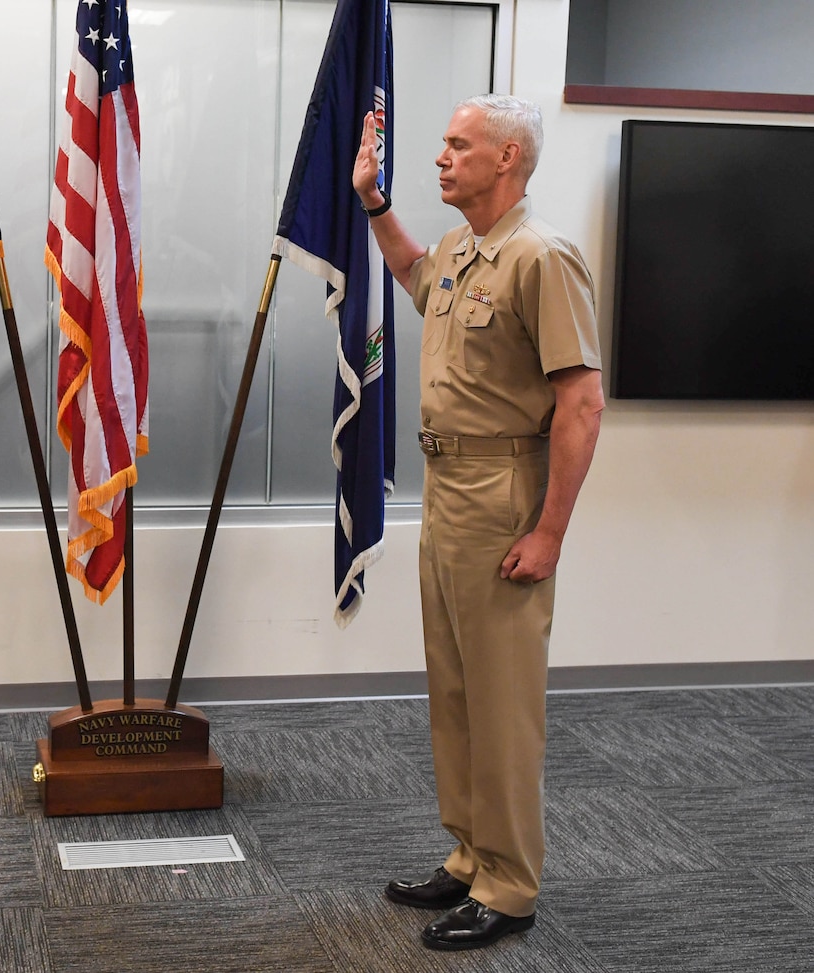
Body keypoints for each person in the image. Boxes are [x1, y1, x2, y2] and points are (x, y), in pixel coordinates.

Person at [352, 94, 604, 950]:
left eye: (459, 146)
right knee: (455, 691)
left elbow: (580, 403)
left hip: (503, 491)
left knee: (503, 703)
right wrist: (376, 206)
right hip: (446, 487)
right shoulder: (466, 248)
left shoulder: (542, 256)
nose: (441, 157)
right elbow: (419, 277)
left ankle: (510, 883)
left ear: (508, 159)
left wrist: (549, 532)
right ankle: (468, 854)